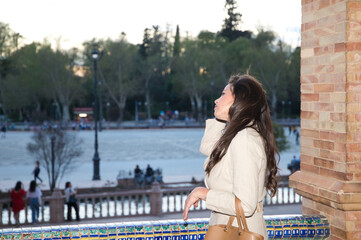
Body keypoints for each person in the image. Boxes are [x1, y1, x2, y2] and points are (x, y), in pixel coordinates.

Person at [183, 74, 279, 240]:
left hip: (237, 230)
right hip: (229, 226)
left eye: (223, 94)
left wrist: (203, 193)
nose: (216, 100)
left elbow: (246, 205)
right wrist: (221, 118)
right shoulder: (240, 133)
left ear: (239, 101)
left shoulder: (244, 139)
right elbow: (208, 148)